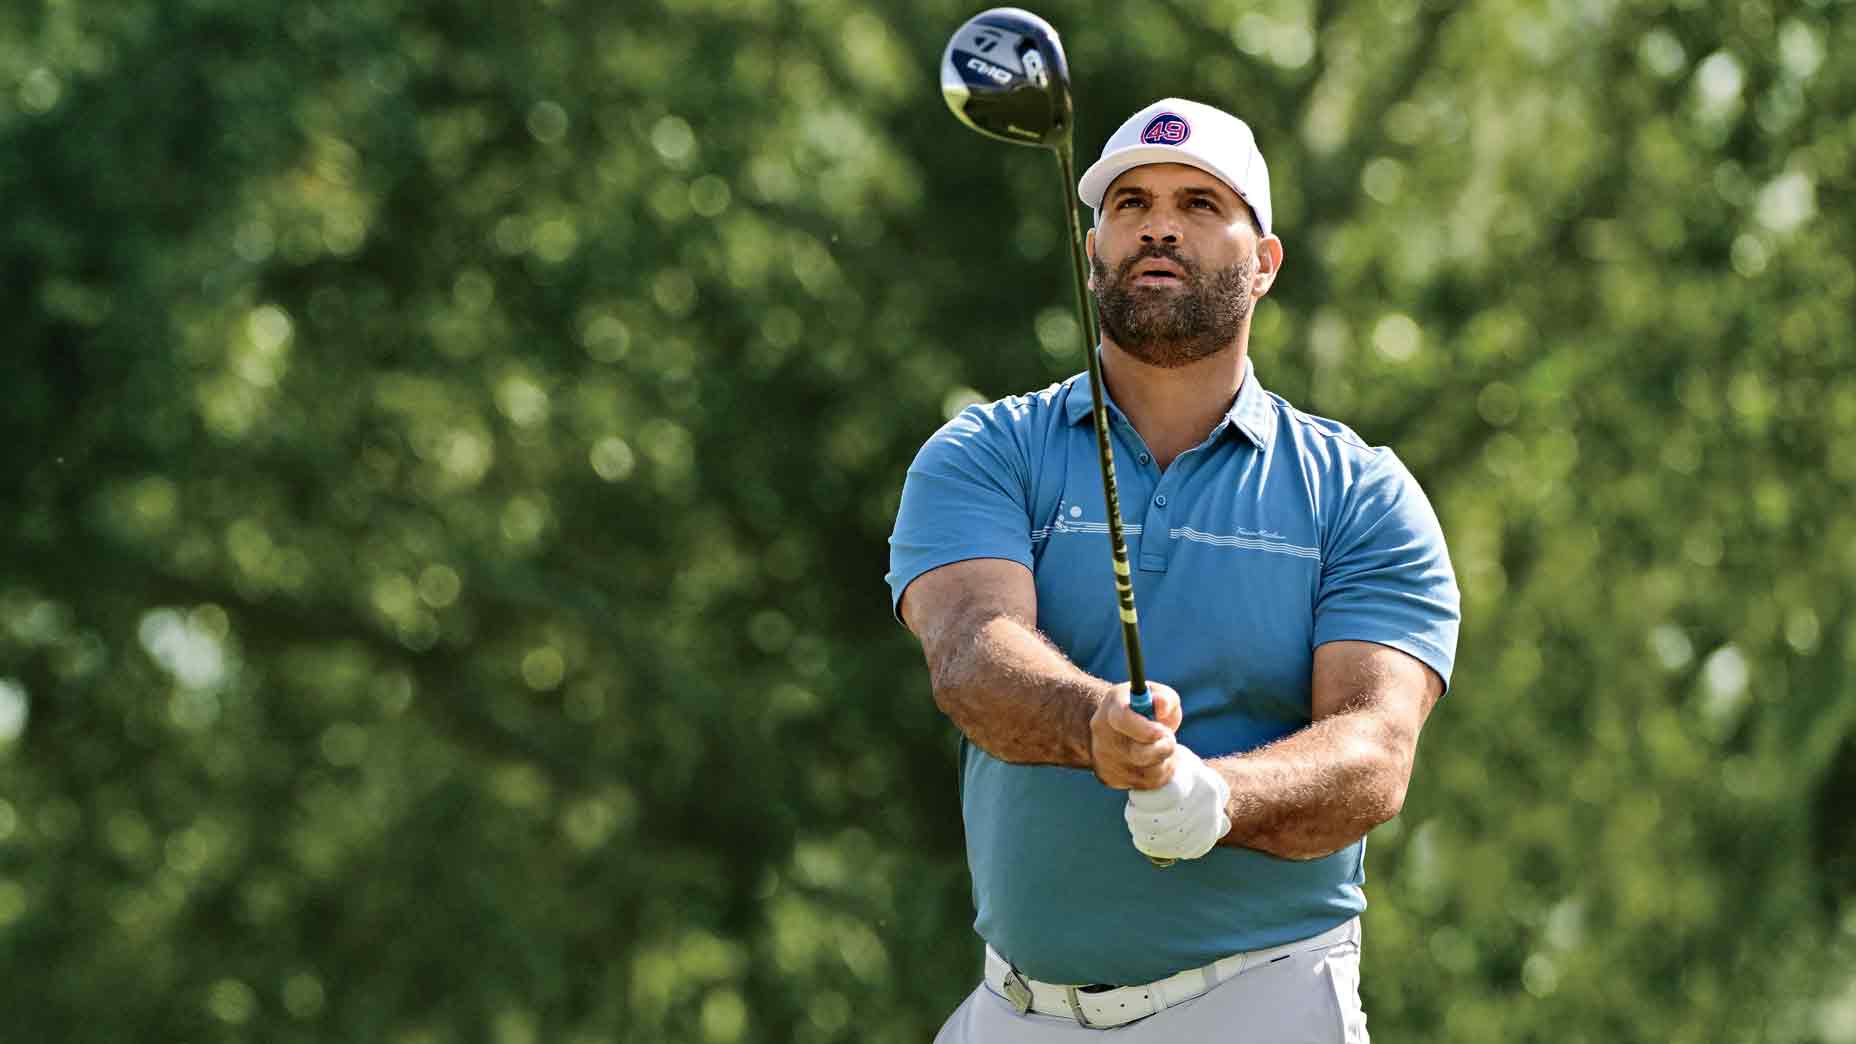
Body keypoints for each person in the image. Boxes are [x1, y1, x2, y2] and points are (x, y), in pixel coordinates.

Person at [885, 98, 1461, 1041]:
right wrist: (1095, 726)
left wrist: (1217, 799)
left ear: (1265, 263)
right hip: (1017, 1006)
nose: (1158, 224)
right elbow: (970, 655)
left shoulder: (1360, 492)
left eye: (1199, 203)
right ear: (1093, 253)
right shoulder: (988, 451)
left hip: (1266, 1002)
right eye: (1129, 204)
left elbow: (1376, 750)